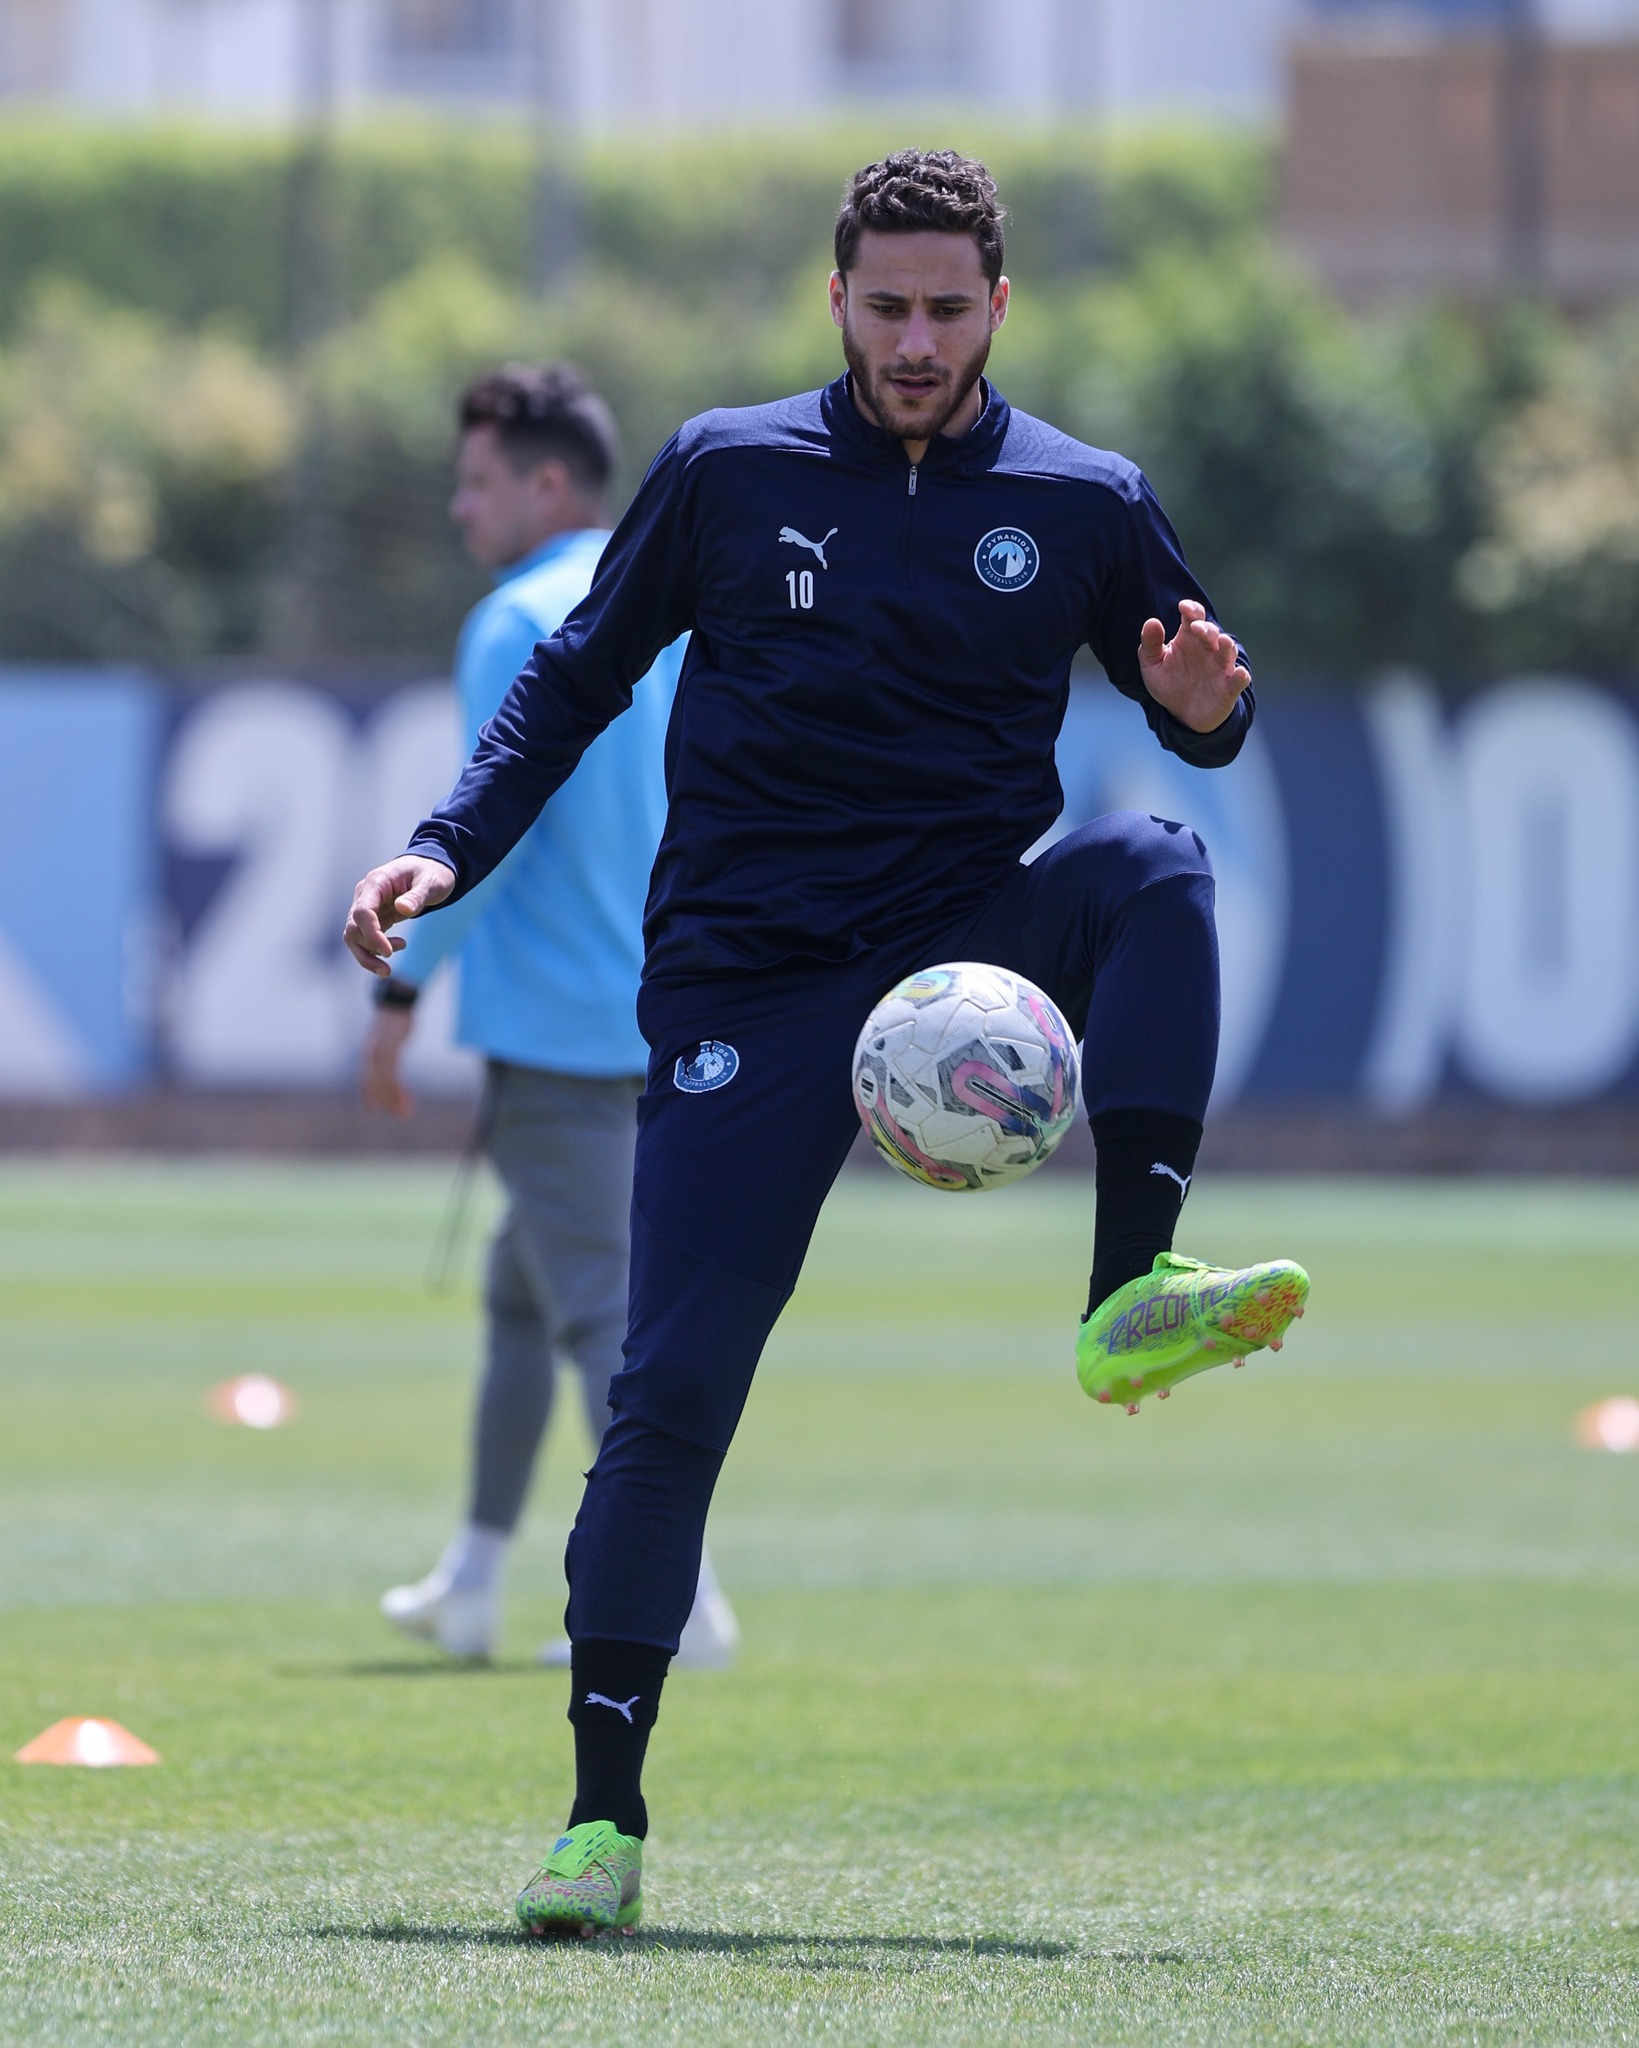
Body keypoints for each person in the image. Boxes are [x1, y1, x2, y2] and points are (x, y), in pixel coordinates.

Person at [344, 151, 1309, 1935]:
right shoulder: (727, 470)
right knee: (670, 1393)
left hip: (962, 937)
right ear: (837, 299)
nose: (916, 341)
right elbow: (574, 679)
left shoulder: (1088, 501)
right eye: (887, 307)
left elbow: (1204, 714)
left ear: (999, 306)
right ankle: (602, 1824)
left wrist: (1207, 715)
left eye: (947, 309)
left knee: (1158, 868)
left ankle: (1130, 1289)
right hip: (748, 984)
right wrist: (446, 846)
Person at [367, 362, 739, 1672]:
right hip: (672, 1020)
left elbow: (485, 833)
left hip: (559, 1039)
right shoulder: (677, 610)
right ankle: (471, 1584)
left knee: (598, 1319)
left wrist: (399, 986)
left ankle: (676, 1602)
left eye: (477, 482)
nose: (459, 508)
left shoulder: (515, 619)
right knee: (524, 1297)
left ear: (545, 483)